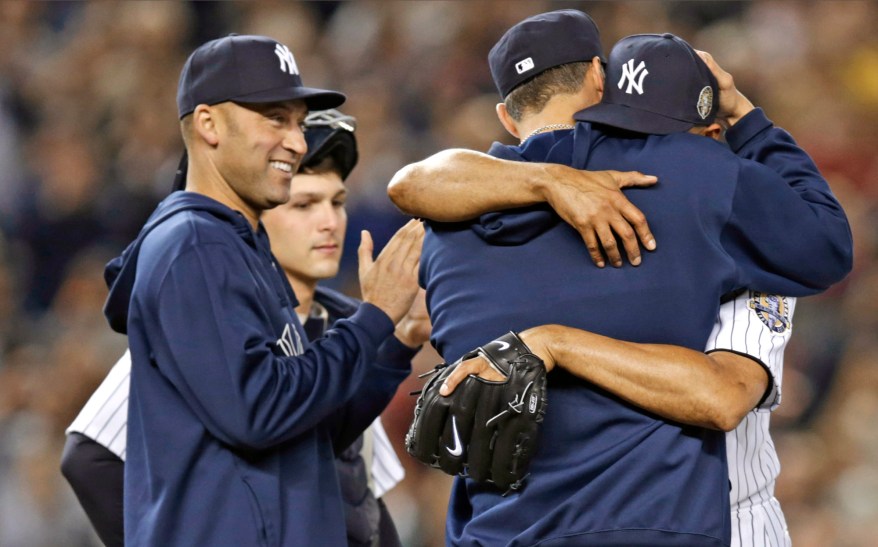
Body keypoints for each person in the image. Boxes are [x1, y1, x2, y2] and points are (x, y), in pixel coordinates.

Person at [390, 12, 852, 547]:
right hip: (656, 522)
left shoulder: (442, 223)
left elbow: (411, 182)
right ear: (599, 78)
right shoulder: (686, 175)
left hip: (497, 532)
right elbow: (827, 247)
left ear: (506, 116)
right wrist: (748, 119)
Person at [100, 34, 424, 546]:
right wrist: (370, 319)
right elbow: (260, 412)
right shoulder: (194, 247)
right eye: (275, 118)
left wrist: (395, 341)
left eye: (297, 122)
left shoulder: (240, 245)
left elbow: (310, 428)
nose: (297, 142)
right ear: (208, 124)